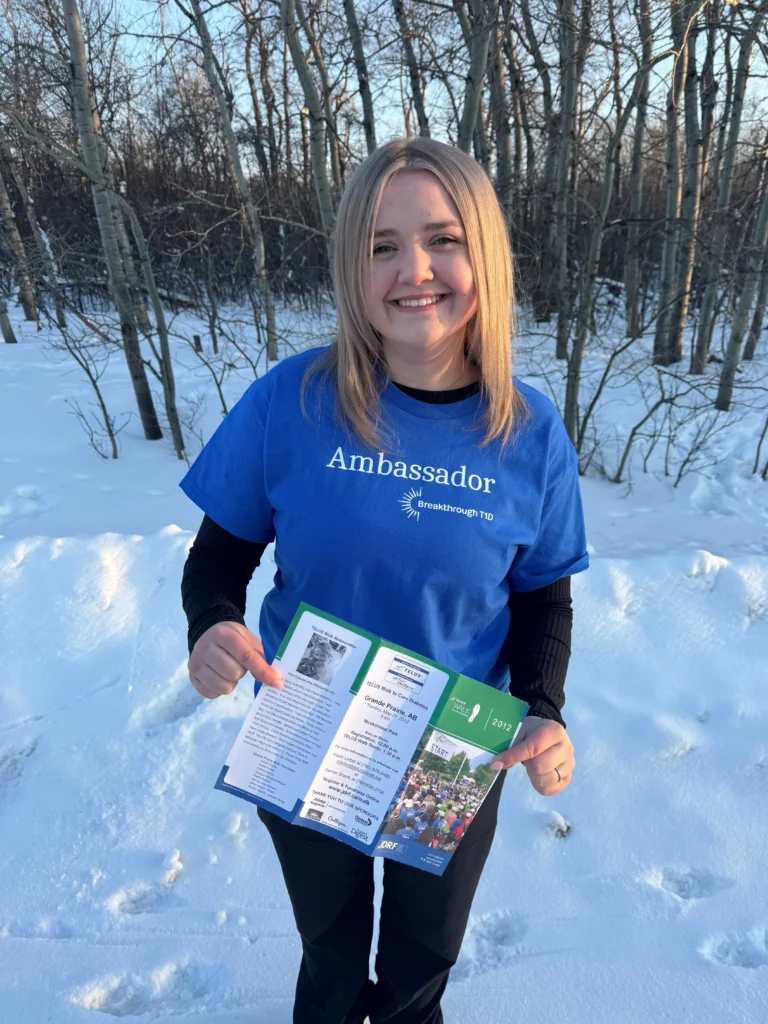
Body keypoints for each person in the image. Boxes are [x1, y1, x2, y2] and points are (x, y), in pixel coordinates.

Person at [180, 136, 588, 1024]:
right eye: (381, 245)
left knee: (421, 958)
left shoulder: (529, 434)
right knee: (330, 951)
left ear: (483, 254)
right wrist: (212, 622)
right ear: (351, 268)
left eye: (444, 239)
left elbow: (542, 594)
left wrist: (545, 706)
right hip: (308, 717)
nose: (415, 269)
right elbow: (219, 556)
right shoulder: (291, 403)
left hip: (454, 739)